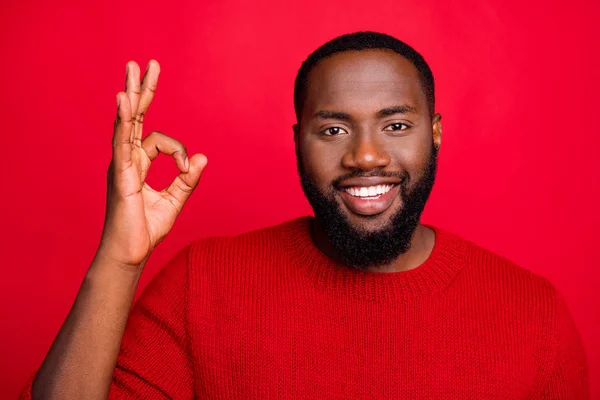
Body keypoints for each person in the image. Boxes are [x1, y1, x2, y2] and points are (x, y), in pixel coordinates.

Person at [21, 32, 589, 399]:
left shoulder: (532, 316)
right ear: (299, 141)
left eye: (396, 125)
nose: (365, 155)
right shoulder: (204, 285)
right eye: (334, 129)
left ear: (435, 133)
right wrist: (120, 259)